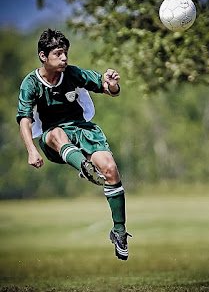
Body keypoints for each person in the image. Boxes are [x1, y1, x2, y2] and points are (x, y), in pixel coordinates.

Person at [16, 28, 131, 261]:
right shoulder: (31, 84)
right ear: (43, 56)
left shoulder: (73, 73)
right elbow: (24, 119)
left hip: (83, 130)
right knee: (58, 133)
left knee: (109, 168)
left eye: (65, 53)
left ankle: (119, 232)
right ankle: (84, 167)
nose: (64, 58)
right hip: (53, 139)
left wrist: (113, 84)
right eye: (58, 53)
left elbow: (107, 88)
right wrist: (31, 150)